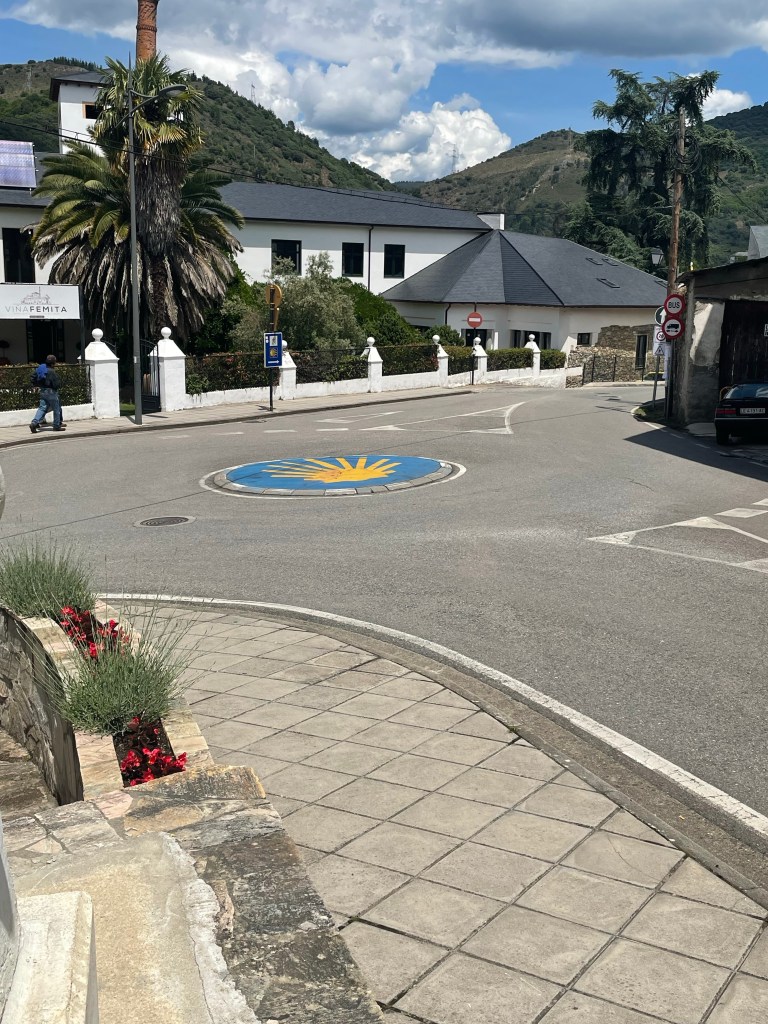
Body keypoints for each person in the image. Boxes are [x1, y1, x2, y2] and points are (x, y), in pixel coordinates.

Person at [29, 355, 66, 433]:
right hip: (51, 392)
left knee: (42, 408)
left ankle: (34, 423)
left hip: (42, 391)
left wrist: (35, 385)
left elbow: (33, 377)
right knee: (56, 409)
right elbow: (56, 384)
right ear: (53, 363)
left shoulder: (41, 368)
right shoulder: (52, 371)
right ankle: (56, 426)